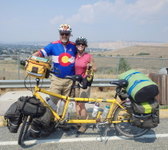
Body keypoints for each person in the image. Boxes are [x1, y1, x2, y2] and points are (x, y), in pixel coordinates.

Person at [30, 24, 77, 137]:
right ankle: (48, 123)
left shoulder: (74, 46)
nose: (64, 35)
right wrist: (32, 57)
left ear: (70, 34)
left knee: (67, 104)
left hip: (70, 81)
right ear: (59, 34)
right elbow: (41, 53)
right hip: (56, 79)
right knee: (52, 102)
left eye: (66, 33)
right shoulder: (53, 45)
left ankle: (63, 122)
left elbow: (82, 57)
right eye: (62, 33)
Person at [75, 37, 96, 133]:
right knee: (76, 103)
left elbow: (95, 68)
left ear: (85, 46)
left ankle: (84, 125)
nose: (80, 46)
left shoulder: (88, 56)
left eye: (82, 44)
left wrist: (91, 66)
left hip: (84, 82)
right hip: (75, 82)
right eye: (79, 44)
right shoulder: (74, 55)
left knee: (81, 104)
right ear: (76, 45)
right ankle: (79, 121)